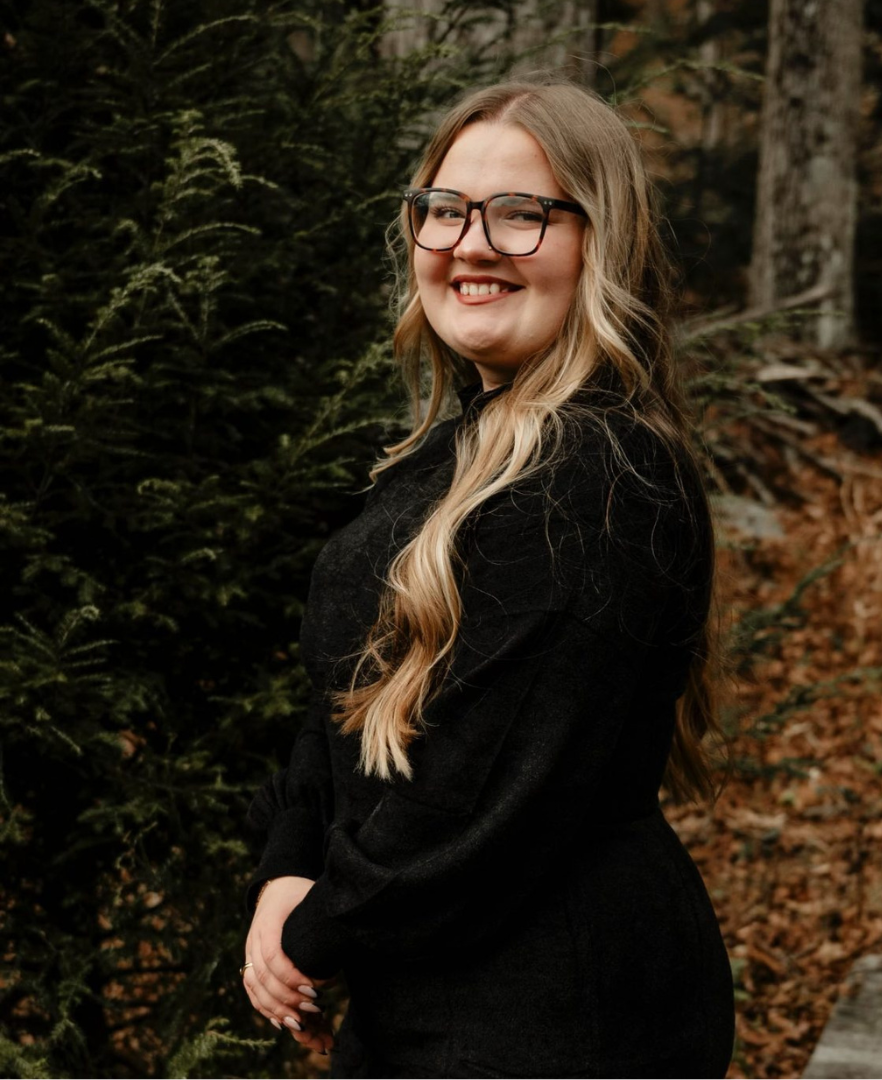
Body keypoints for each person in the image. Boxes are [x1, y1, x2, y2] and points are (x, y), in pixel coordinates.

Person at [241, 78, 735, 1079]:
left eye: (520, 215)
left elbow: (479, 794)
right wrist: (287, 864)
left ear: (601, 240)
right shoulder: (449, 453)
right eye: (444, 210)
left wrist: (319, 931)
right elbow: (346, 695)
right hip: (428, 986)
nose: (470, 244)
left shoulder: (602, 475)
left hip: (552, 1013)